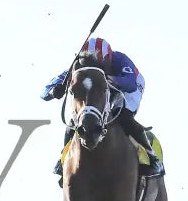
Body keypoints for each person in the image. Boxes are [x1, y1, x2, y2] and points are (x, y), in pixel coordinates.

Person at [41, 37, 163, 180]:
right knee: (75, 120)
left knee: (124, 116)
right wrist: (55, 91)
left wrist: (105, 78)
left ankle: (153, 159)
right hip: (95, 88)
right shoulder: (78, 66)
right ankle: (63, 158)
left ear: (108, 59)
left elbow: (130, 85)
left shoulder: (120, 59)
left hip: (129, 87)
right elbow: (44, 92)